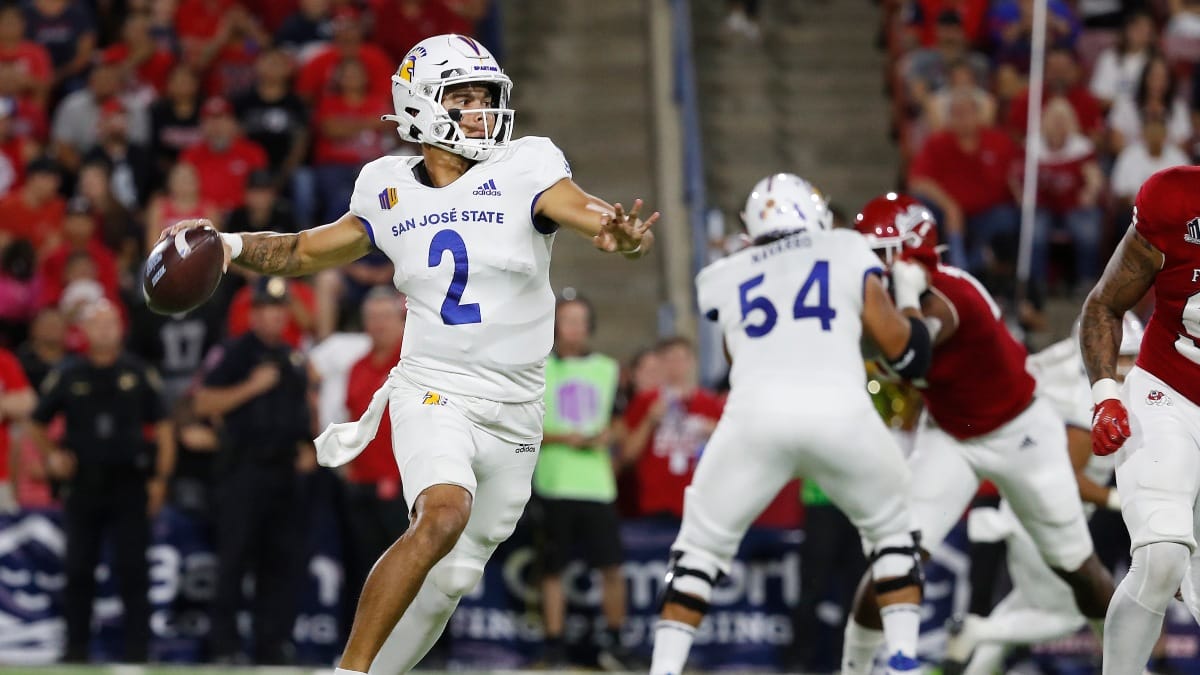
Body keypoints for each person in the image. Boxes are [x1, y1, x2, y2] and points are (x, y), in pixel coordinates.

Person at [163, 33, 656, 674]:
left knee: (451, 580)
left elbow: (583, 209)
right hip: (434, 386)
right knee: (443, 514)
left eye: (486, 97)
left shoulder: (527, 164)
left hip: (516, 407)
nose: (481, 110)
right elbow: (307, 250)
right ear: (420, 107)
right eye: (464, 97)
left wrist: (619, 236)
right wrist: (225, 244)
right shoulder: (386, 186)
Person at [650, 174, 932, 675]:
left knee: (698, 551)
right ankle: (904, 659)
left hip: (755, 418)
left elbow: (738, 356)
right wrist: (909, 297)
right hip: (840, 413)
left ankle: (664, 669)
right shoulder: (846, 248)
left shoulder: (725, 273)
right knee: (893, 533)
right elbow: (906, 353)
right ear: (816, 217)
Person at [843, 192, 1114, 675]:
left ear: (908, 254)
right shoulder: (886, 298)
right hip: (952, 435)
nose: (866, 264)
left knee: (1078, 568)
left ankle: (1126, 664)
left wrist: (902, 299)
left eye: (876, 252)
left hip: (1021, 433)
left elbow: (915, 351)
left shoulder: (947, 297)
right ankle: (855, 667)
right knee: (895, 558)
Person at [942, 314, 1144, 675]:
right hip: (1048, 519)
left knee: (1023, 606)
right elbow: (1070, 474)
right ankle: (977, 628)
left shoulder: (1062, 369)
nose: (1130, 367)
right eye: (1123, 357)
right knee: (1067, 615)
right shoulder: (1086, 398)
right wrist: (1117, 501)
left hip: (1023, 511)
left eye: (1132, 356)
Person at [1080, 164, 1200, 674]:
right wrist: (1107, 395)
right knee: (1161, 558)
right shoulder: (1177, 200)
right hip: (1168, 394)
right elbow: (1105, 304)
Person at [28, 300, 174, 663]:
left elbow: (165, 427)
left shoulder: (138, 372)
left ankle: (139, 653)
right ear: (85, 332)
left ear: (120, 329)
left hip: (129, 483)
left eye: (111, 323)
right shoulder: (69, 374)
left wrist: (160, 478)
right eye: (97, 324)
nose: (105, 330)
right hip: (83, 485)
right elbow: (35, 422)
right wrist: (53, 455)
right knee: (78, 567)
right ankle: (75, 651)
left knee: (133, 568)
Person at [195, 276, 316, 665]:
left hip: (284, 473)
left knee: (280, 563)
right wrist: (251, 387)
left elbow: (303, 412)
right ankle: (225, 647)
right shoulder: (232, 353)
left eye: (280, 310)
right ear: (253, 313)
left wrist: (308, 447)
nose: (273, 317)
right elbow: (202, 404)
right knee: (233, 559)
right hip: (242, 470)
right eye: (265, 309)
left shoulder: (294, 358)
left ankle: (272, 646)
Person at [534, 295, 630, 670]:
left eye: (579, 321)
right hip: (554, 483)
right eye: (566, 320)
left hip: (596, 484)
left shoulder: (607, 369)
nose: (573, 328)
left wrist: (607, 436)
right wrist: (562, 438)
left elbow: (621, 421)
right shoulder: (539, 368)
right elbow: (523, 426)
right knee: (552, 570)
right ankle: (554, 644)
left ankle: (616, 641)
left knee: (611, 567)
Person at [340, 287, 408, 635]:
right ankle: (363, 643)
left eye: (385, 317)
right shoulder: (357, 368)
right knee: (362, 567)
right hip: (362, 484)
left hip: (402, 487)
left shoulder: (412, 364)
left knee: (410, 568)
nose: (378, 325)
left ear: (401, 320)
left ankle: (426, 648)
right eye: (372, 318)